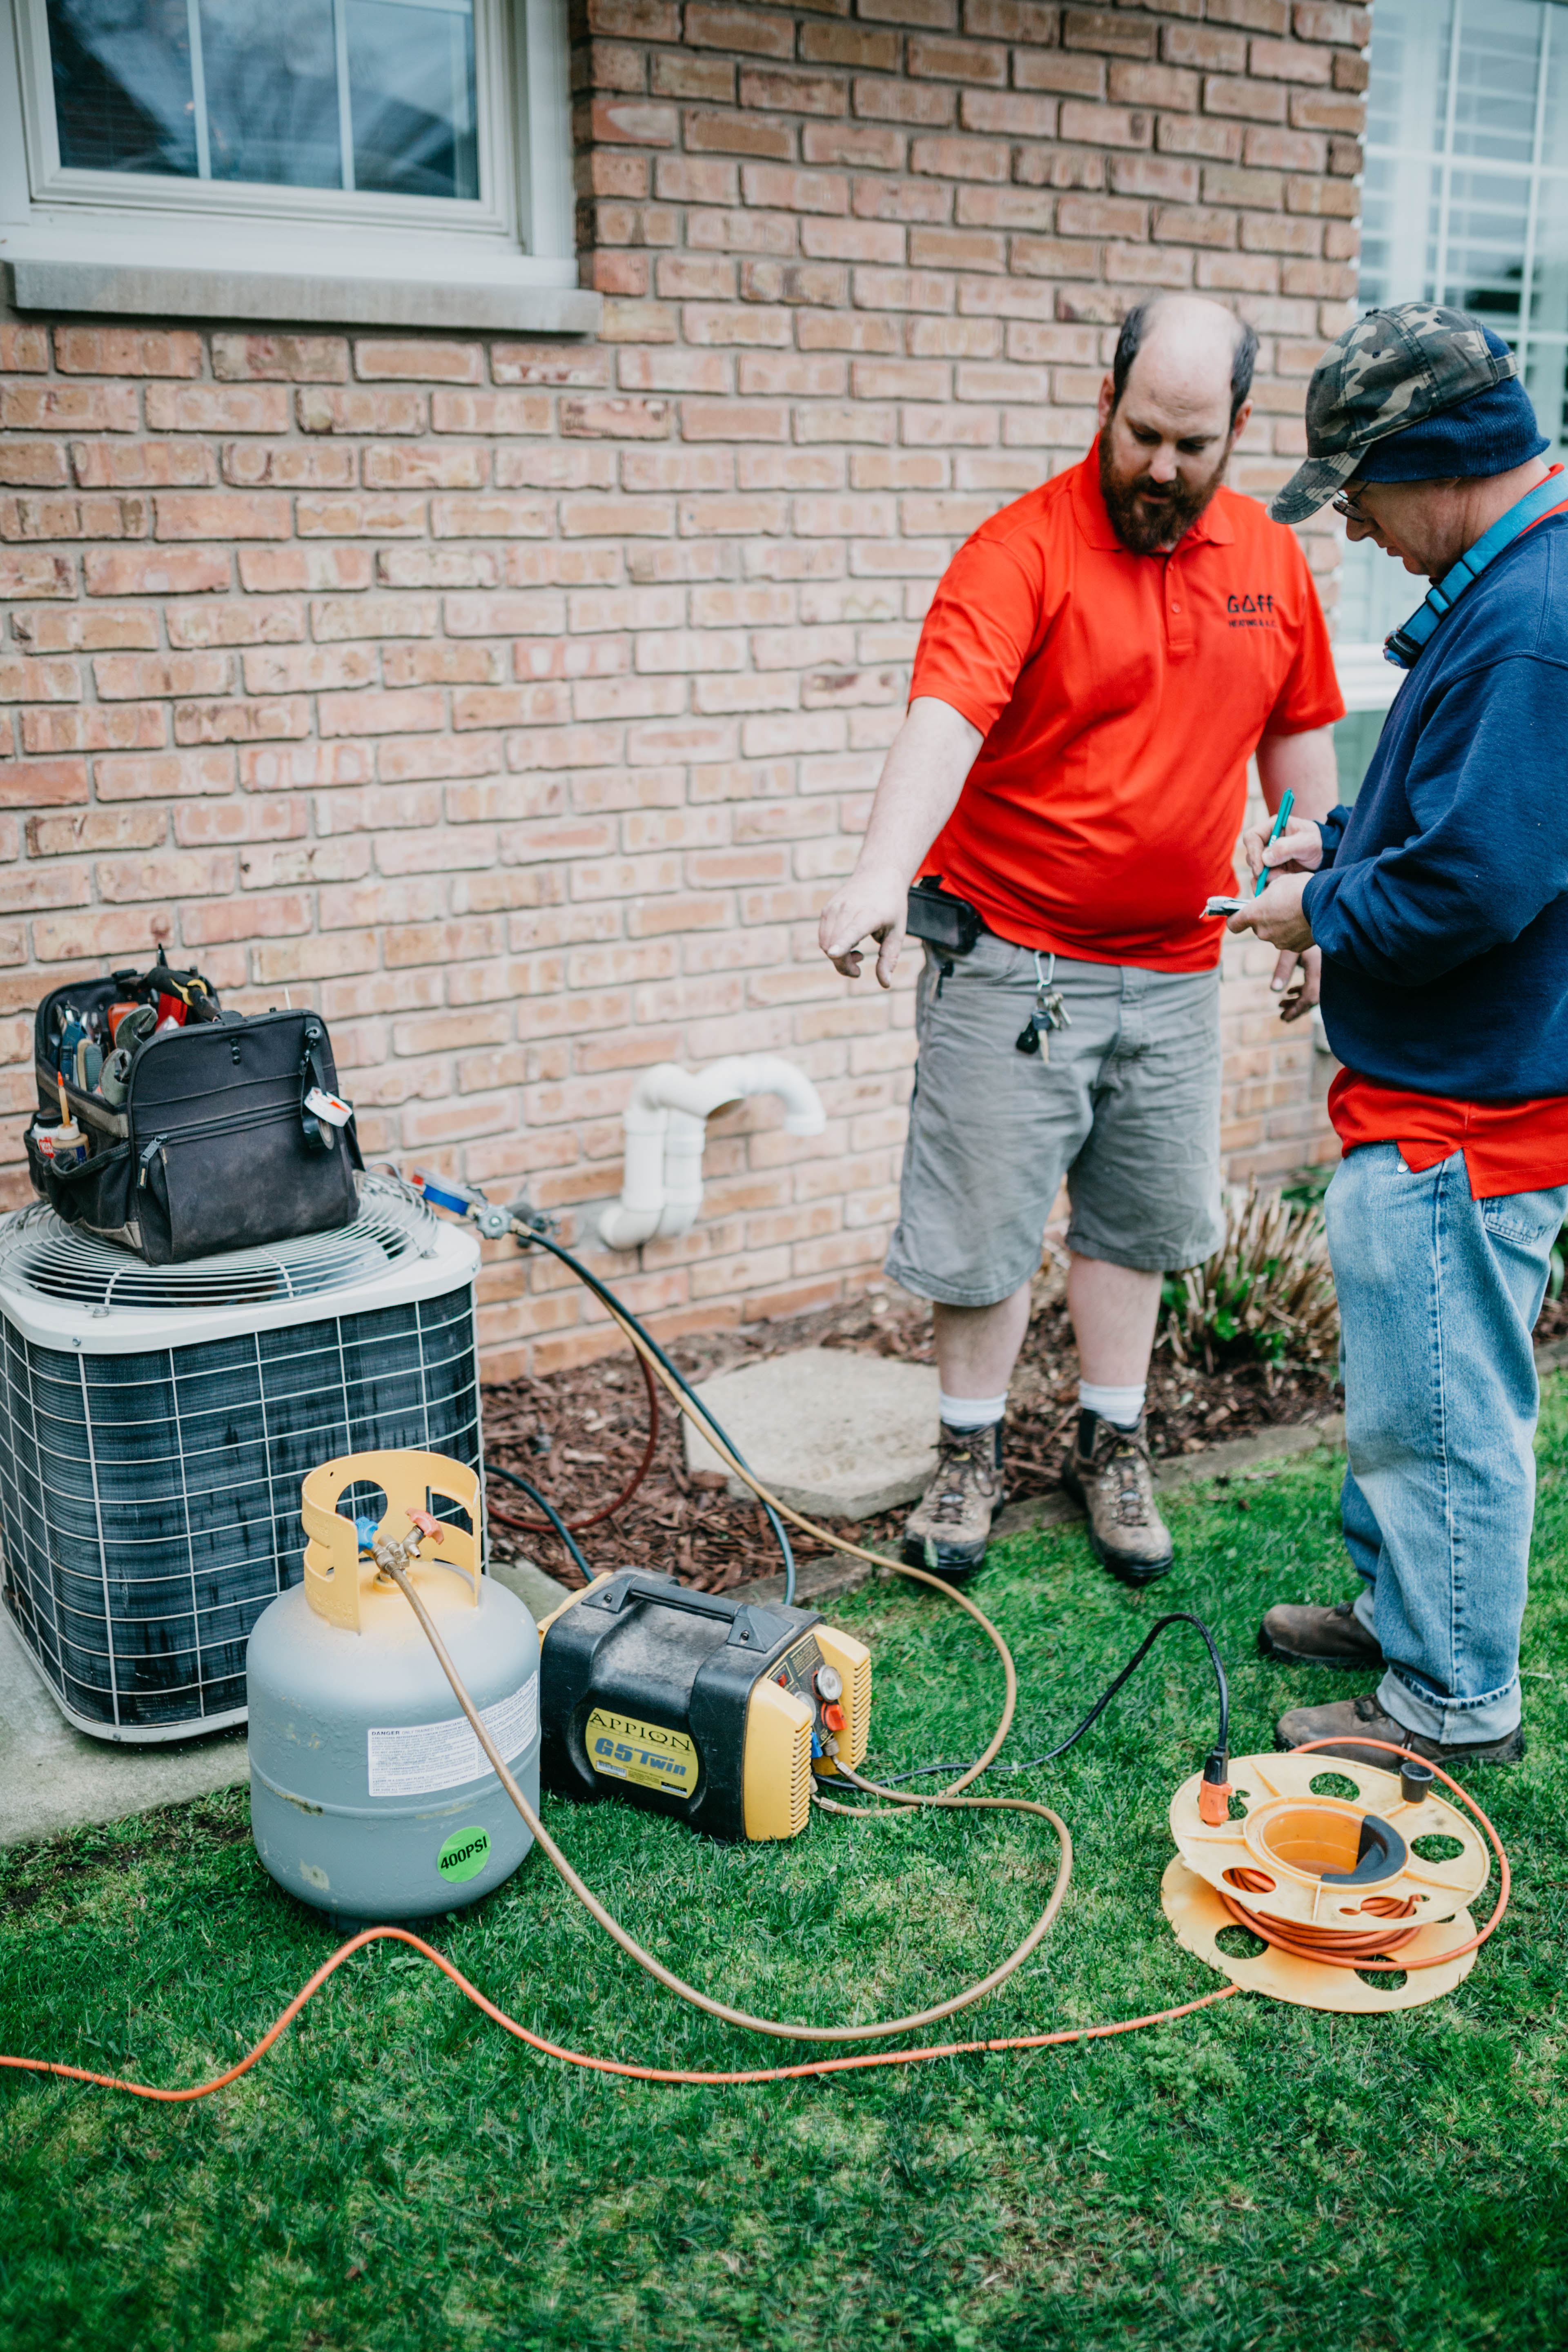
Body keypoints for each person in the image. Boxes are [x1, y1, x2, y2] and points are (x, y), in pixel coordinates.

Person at [817, 293, 1344, 1584]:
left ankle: (1112, 1444)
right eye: (1143, 433)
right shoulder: (1020, 551)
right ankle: (970, 1452)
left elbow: (1300, 738)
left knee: (1137, 1222)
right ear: (1105, 402)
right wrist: (883, 871)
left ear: (1237, 434)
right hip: (1013, 964)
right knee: (986, 1223)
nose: (1162, 467)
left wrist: (1313, 876)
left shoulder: (1270, 566)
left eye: (1193, 444)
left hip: (1172, 967)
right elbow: (944, 718)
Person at [1231, 303, 1568, 1767]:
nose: (1356, 531)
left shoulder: (1535, 626)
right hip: (1443, 1094)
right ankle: (1397, 1611)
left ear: (1433, 463)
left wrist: (1324, 919)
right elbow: (1433, 820)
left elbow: (1471, 884)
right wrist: (1338, 863)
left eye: (1359, 497)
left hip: (1467, 1116)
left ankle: (1447, 1701)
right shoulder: (1511, 590)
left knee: (1443, 1412)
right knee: (1407, 1391)